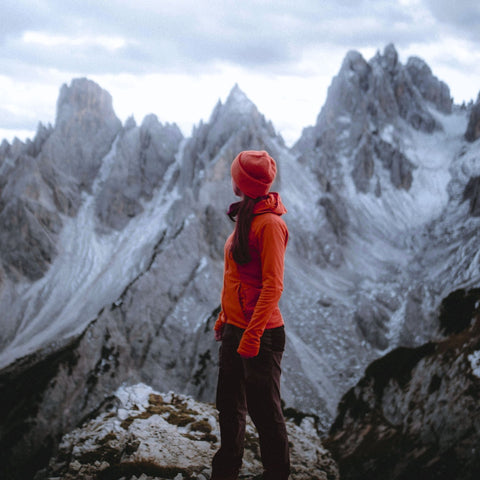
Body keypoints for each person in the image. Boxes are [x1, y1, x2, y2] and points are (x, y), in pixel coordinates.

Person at [211, 150, 290, 480]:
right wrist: (224, 318)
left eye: (235, 176)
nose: (232, 180)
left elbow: (273, 286)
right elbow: (236, 278)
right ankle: (225, 472)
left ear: (242, 183)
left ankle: (277, 473)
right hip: (236, 327)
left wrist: (253, 335)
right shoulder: (247, 216)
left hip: (261, 334)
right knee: (229, 406)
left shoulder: (270, 224)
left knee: (265, 412)